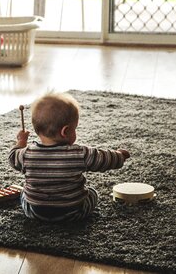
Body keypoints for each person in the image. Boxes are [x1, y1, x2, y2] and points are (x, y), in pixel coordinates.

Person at [9, 92, 130, 222]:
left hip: (35, 212)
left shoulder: (26, 154)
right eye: (75, 128)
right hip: (73, 212)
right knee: (92, 193)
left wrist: (21, 142)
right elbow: (104, 159)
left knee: (23, 193)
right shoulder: (80, 153)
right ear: (65, 131)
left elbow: (12, 158)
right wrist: (120, 156)